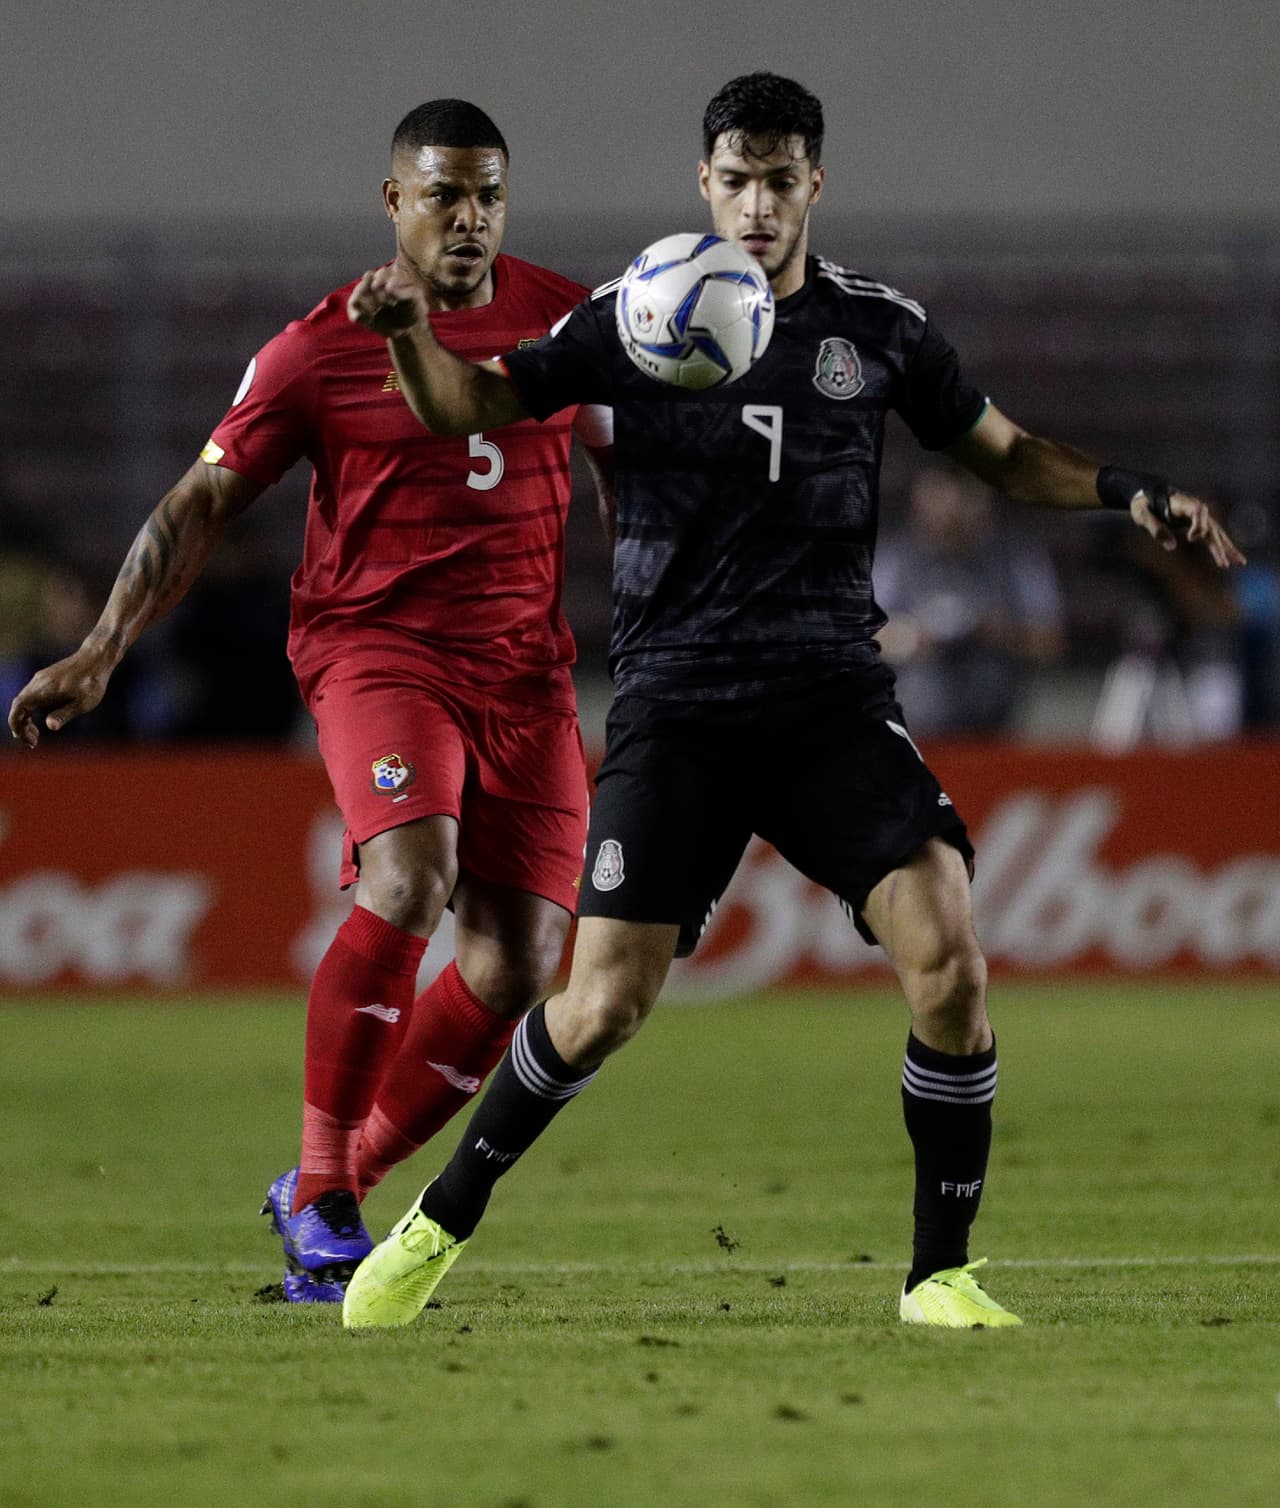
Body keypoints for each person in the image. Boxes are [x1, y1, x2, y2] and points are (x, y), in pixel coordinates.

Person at [337, 71, 1245, 1331]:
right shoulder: (634, 314)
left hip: (828, 699)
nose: (756, 205)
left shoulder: (874, 329)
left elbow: (1001, 450)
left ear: (813, 183)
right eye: (735, 180)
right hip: (677, 706)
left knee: (948, 955)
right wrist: (406, 337)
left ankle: (937, 1273)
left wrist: (1126, 489)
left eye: (778, 180)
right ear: (702, 185)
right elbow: (469, 405)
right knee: (599, 1005)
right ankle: (438, 1221)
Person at [7, 99, 614, 1303]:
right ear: (393, 201)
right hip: (377, 654)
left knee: (517, 962)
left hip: (524, 674)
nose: (468, 218)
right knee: (410, 874)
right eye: (443, 194)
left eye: (488, 195)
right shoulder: (315, 348)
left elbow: (628, 466)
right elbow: (199, 502)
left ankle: (323, 1188)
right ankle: (330, 1191)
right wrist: (102, 647)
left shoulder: (566, 319)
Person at [875, 464, 1065, 735]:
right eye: (938, 501)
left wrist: (996, 631)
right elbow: (860, 637)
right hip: (915, 727)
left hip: (995, 728)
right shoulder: (895, 556)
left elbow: (1050, 643)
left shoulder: (1016, 558)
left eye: (961, 506)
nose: (949, 516)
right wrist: (911, 638)